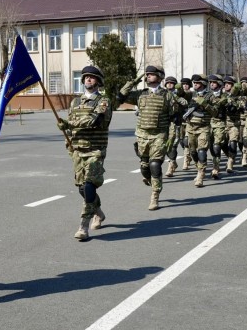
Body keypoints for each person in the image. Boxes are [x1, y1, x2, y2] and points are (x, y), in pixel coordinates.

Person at [57, 66, 112, 239]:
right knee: (82, 189)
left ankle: (83, 226)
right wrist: (68, 142)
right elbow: (71, 128)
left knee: (89, 186)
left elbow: (95, 121)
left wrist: (69, 124)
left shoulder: (103, 101)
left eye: (92, 77)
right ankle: (98, 211)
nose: (88, 79)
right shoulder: (75, 102)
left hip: (95, 150)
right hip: (78, 150)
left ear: (98, 81)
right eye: (86, 77)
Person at [117, 65, 176, 210]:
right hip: (142, 136)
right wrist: (131, 83)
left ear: (160, 77)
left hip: (159, 135)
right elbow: (119, 98)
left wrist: (171, 137)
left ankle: (155, 196)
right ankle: (152, 181)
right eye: (147, 74)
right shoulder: (140, 94)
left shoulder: (168, 96)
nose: (148, 76)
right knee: (144, 167)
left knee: (155, 165)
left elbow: (174, 118)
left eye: (151, 74)